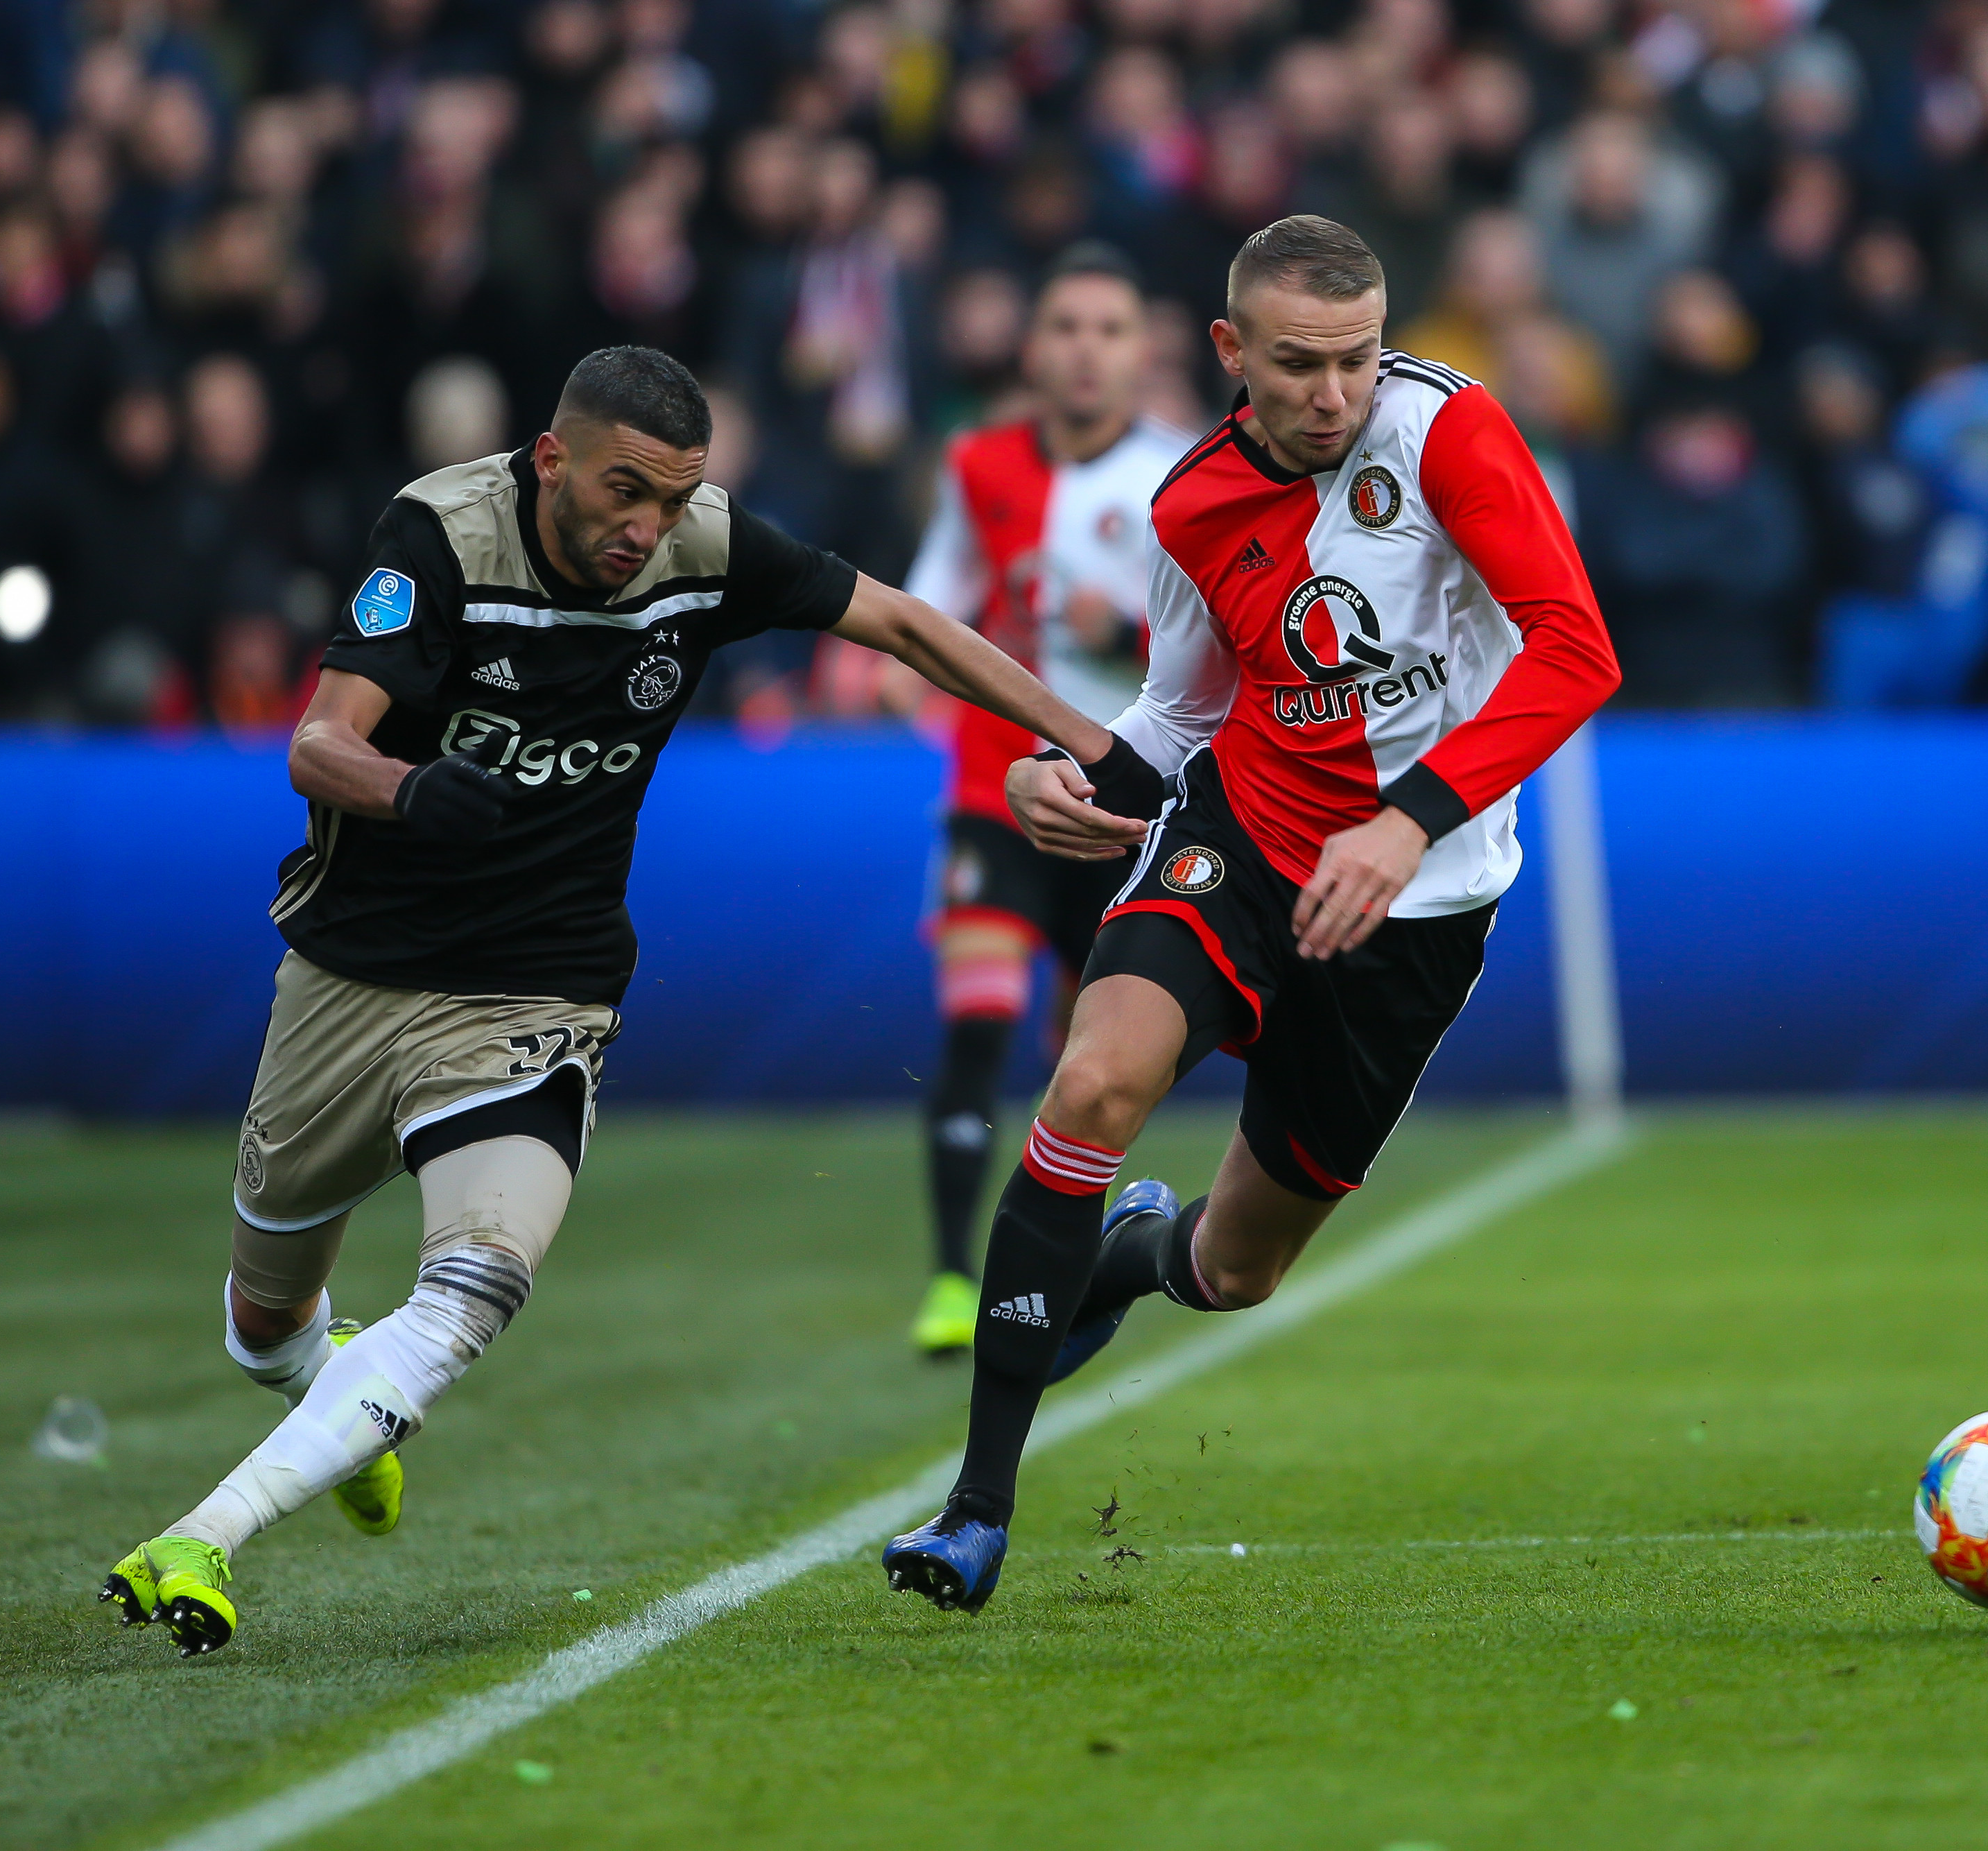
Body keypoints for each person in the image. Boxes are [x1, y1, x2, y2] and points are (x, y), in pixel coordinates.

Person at [98, 345, 1157, 1658]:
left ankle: (205, 1533)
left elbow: (904, 622)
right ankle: (327, 1389)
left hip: (541, 984)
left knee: (478, 1282)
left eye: (674, 497)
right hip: (352, 977)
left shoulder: (700, 545)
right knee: (260, 1327)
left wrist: (1100, 743)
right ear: (551, 461)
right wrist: (411, 790)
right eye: (622, 494)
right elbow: (320, 741)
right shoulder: (438, 534)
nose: (645, 529)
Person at [881, 217, 1620, 1612]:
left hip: (1421, 900)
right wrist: (1073, 773)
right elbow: (1180, 711)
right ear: (1231, 353)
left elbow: (1576, 649)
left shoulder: (1449, 435)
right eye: (1300, 365)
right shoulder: (1192, 504)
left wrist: (1409, 823)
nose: (1337, 393)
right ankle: (977, 1510)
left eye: (1357, 358)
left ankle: (1132, 1261)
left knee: (1234, 1272)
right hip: (1246, 847)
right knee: (1093, 1081)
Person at [900, 242, 1193, 1357]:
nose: (1084, 350)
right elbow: (936, 601)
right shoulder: (977, 465)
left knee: (1092, 1058)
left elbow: (1219, 643)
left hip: (1122, 800)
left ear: (1140, 351)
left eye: (1108, 329)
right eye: (1065, 327)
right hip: (993, 783)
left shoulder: (1181, 473)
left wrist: (1126, 634)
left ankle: (1070, 1259)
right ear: (1032, 349)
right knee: (976, 1015)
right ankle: (943, 1274)